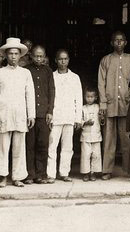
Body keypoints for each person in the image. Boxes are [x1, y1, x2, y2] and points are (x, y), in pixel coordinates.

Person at [97, 31, 130, 179]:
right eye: (116, 40)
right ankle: (106, 170)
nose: (119, 43)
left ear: (125, 42)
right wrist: (103, 103)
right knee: (109, 139)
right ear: (112, 43)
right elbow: (101, 83)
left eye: (121, 40)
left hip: (125, 105)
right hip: (110, 105)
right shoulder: (105, 60)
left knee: (127, 139)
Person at [0, 37, 35, 187]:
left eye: (16, 53)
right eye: (10, 54)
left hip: (20, 114)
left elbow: (30, 94)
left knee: (19, 146)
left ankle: (17, 176)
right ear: (6, 55)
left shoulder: (25, 73)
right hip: (4, 113)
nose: (13, 56)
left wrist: (31, 114)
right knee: (3, 146)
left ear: (20, 55)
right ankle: (2, 176)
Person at [47, 49, 83, 182]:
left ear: (68, 60)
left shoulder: (75, 77)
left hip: (69, 116)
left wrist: (78, 118)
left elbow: (78, 99)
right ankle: (50, 174)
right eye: (60, 59)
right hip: (55, 116)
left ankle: (64, 172)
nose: (63, 61)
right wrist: (49, 114)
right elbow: (49, 98)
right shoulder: (51, 76)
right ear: (56, 60)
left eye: (65, 59)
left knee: (67, 147)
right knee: (52, 146)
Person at [25, 45, 55, 184]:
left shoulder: (48, 71)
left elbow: (51, 92)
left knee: (42, 144)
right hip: (30, 114)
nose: (38, 58)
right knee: (29, 144)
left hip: (43, 113)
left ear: (44, 57)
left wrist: (50, 111)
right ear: (31, 56)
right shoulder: (26, 70)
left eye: (41, 56)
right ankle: (29, 175)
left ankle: (41, 174)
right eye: (36, 56)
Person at [81, 88, 103, 181]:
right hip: (85, 136)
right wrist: (85, 123)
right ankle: (86, 173)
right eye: (87, 97)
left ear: (95, 97)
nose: (89, 99)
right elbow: (80, 120)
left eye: (91, 97)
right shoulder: (82, 108)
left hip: (96, 135)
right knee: (86, 155)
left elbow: (102, 120)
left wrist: (102, 118)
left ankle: (93, 172)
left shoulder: (98, 107)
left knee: (96, 155)